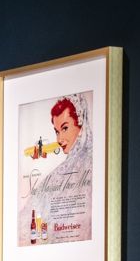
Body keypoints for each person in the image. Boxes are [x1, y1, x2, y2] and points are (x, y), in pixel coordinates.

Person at [18, 93, 93, 247]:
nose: (59, 139)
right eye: (57, 131)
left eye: (65, 128)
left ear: (81, 126)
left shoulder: (91, 165)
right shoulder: (59, 173)